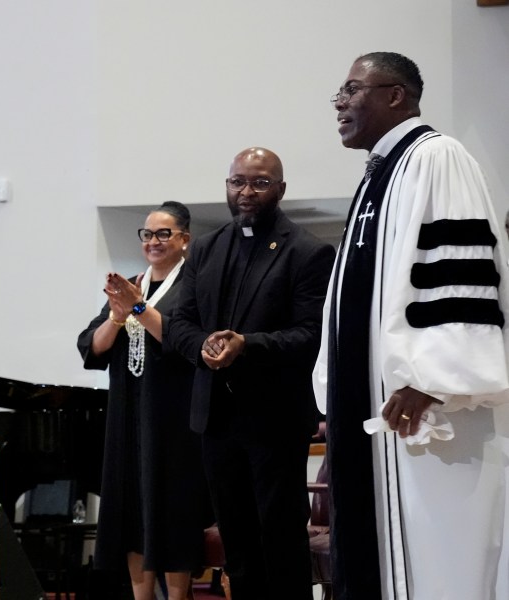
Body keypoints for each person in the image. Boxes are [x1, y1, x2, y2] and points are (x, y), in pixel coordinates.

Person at [316, 51, 509, 600]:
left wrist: (433, 376)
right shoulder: (380, 174)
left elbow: (461, 276)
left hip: (426, 410)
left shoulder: (436, 157)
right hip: (375, 409)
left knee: (431, 561)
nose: (339, 103)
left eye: (352, 89)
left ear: (396, 95)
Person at [168, 148, 334, 600]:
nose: (246, 191)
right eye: (237, 181)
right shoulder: (205, 247)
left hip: (274, 421)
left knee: (279, 538)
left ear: (280, 189)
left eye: (259, 182)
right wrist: (203, 347)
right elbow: (180, 323)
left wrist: (247, 345)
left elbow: (309, 335)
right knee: (237, 542)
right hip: (215, 419)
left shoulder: (308, 251)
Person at [78, 200, 210, 600]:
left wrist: (137, 306)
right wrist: (117, 316)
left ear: (184, 239)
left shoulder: (195, 287)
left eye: (164, 233)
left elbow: (184, 341)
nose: (154, 241)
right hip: (127, 416)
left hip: (173, 420)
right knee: (131, 511)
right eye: (148, 234)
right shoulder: (132, 283)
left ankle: (178, 594)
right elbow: (92, 349)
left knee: (171, 511)